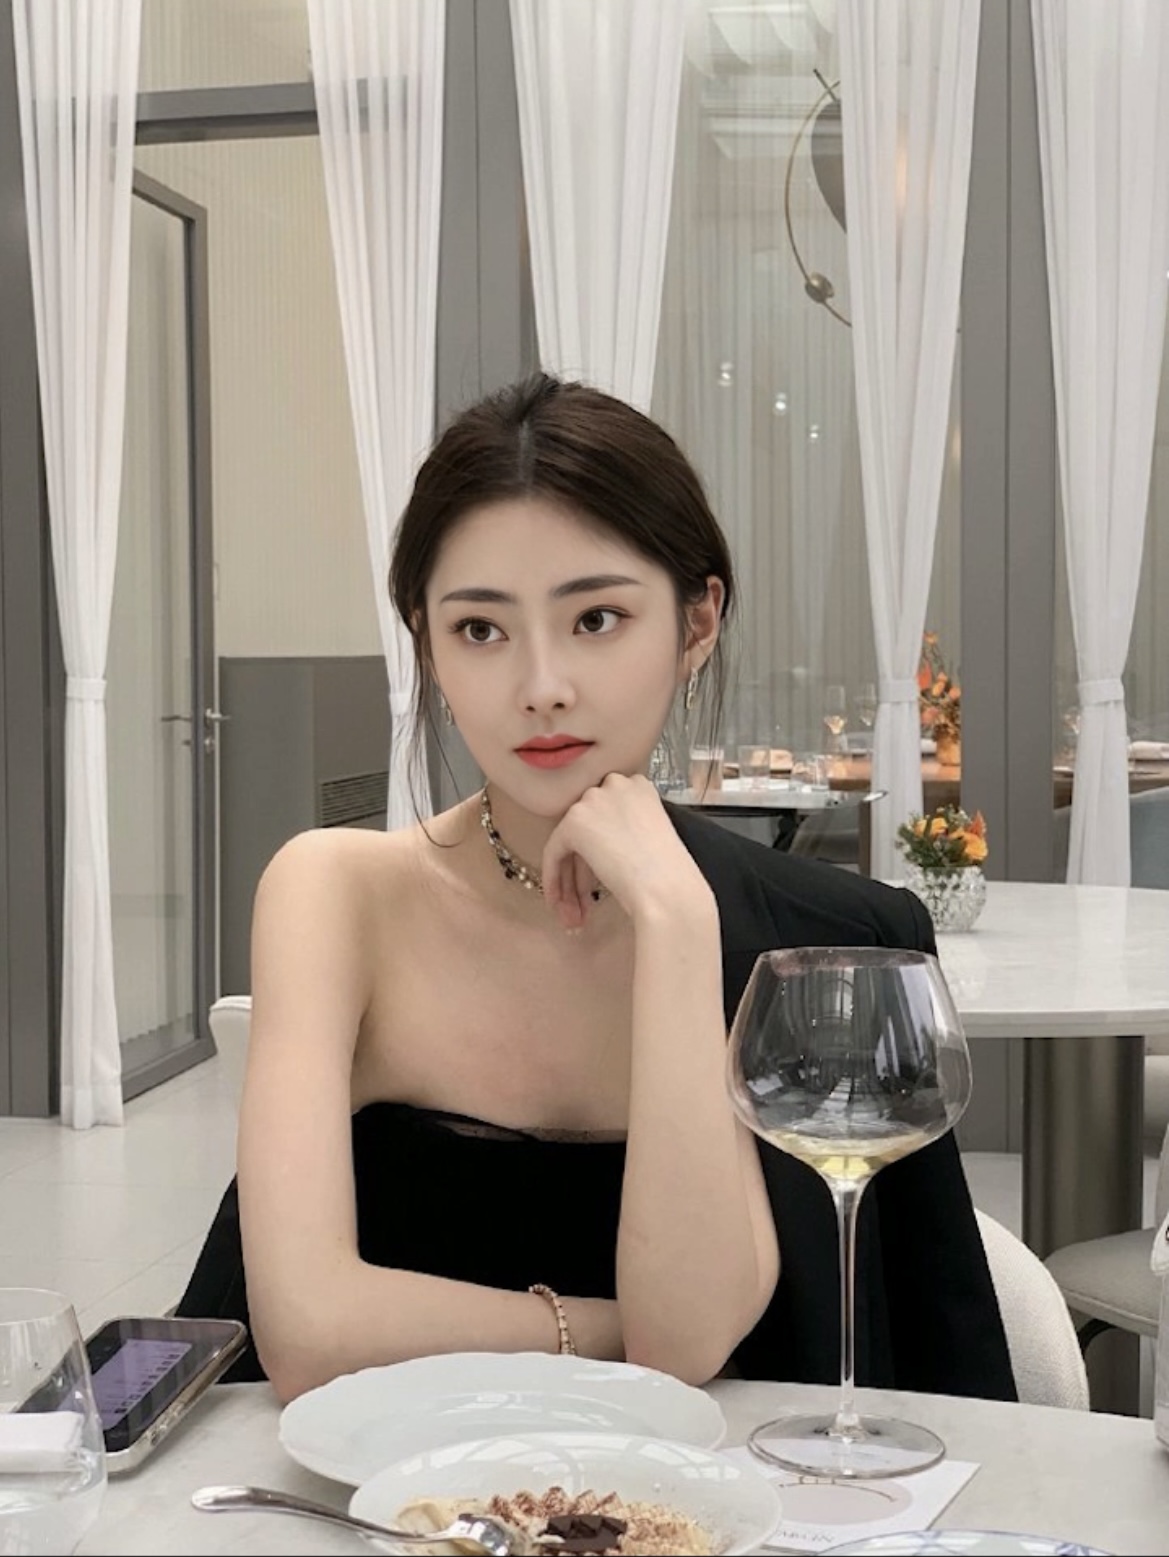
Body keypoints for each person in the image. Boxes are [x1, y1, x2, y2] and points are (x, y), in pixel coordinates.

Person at [177, 373, 1015, 1405]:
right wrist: (605, 1332)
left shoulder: (834, 941)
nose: (541, 687)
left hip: (682, 1490)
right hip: (338, 1475)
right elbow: (307, 1335)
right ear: (427, 644)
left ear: (695, 623)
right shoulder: (335, 894)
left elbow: (704, 1332)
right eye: (480, 630)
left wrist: (676, 922)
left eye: (597, 618)